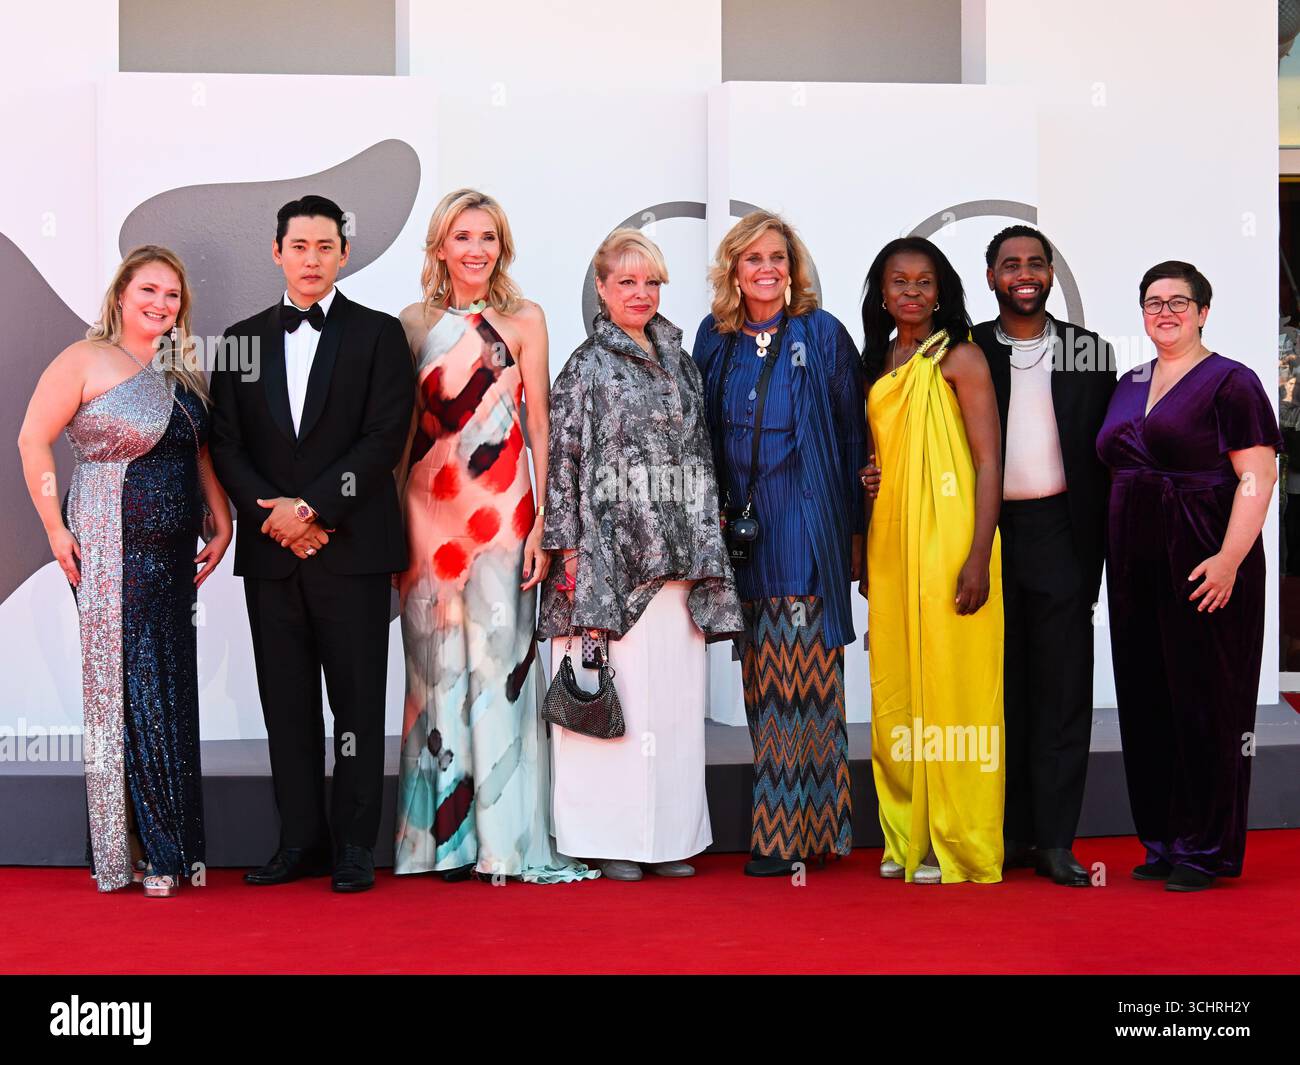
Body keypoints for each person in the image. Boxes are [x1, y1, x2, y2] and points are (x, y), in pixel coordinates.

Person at [209, 195, 415, 893]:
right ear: (276, 252)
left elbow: (384, 437)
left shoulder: (380, 335)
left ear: (343, 253)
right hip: (273, 554)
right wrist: (277, 519)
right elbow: (226, 443)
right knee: (286, 704)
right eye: (299, 246)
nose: (312, 259)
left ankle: (355, 847)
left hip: (352, 550)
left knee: (357, 707)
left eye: (325, 246)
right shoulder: (239, 338)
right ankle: (299, 842)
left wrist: (313, 508)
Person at [393, 189, 593, 883]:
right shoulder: (412, 323)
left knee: (499, 674)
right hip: (425, 516)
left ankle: (502, 841)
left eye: (487, 237)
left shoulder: (526, 320)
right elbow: (400, 437)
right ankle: (438, 842)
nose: (475, 249)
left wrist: (545, 520)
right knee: (434, 671)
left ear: (501, 246)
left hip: (506, 514)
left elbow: (541, 429)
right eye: (462, 236)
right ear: (440, 246)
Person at [18, 245, 232, 896]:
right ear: (120, 294)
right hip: (108, 545)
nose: (161, 303)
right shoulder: (83, 360)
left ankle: (171, 845)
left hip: (171, 558)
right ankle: (137, 848)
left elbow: (197, 453)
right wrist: (56, 528)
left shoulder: (180, 370)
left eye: (172, 295)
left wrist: (220, 520)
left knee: (167, 688)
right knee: (128, 688)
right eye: (149, 290)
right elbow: (32, 439)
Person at [538, 228, 741, 882]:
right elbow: (562, 462)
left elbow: (700, 452)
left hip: (677, 558)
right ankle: (608, 838)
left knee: (672, 706)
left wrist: (707, 532)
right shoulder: (584, 365)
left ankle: (669, 839)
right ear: (601, 288)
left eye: (650, 281)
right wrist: (565, 549)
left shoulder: (682, 359)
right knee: (607, 696)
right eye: (626, 281)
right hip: (605, 563)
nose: (640, 292)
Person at [1098, 261, 1280, 892]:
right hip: (1132, 566)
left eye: (1179, 301)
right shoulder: (1129, 382)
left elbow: (1257, 477)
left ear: (1204, 311)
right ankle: (1164, 839)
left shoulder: (1232, 382)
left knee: (1207, 703)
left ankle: (1206, 849)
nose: (1165, 311)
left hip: (1205, 560)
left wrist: (1230, 558)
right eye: (1153, 301)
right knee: (1148, 702)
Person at [693, 211, 865, 877]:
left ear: (793, 269)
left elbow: (853, 437)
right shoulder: (717, 337)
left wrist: (855, 530)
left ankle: (783, 836)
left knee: (808, 678)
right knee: (762, 680)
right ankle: (813, 828)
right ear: (733, 269)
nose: (767, 269)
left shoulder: (820, 335)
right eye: (753, 258)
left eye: (778, 258)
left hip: (807, 526)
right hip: (743, 533)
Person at [970, 226, 1117, 885]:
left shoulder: (1090, 352)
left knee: (1060, 691)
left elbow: (1112, 451)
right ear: (991, 275)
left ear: (1052, 273)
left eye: (1035, 263)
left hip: (1061, 532)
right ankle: (1005, 834)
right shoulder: (967, 346)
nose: (1023, 273)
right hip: (985, 536)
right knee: (999, 690)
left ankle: (1056, 840)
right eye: (1010, 264)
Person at [860, 237, 1004, 884]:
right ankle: (905, 832)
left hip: (951, 538)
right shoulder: (881, 361)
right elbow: (885, 457)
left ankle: (957, 836)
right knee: (898, 684)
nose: (911, 291)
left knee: (953, 684)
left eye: (924, 281)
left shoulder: (961, 356)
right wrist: (872, 476)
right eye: (899, 281)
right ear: (882, 292)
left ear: (940, 290)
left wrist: (979, 553)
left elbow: (987, 460)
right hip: (892, 539)